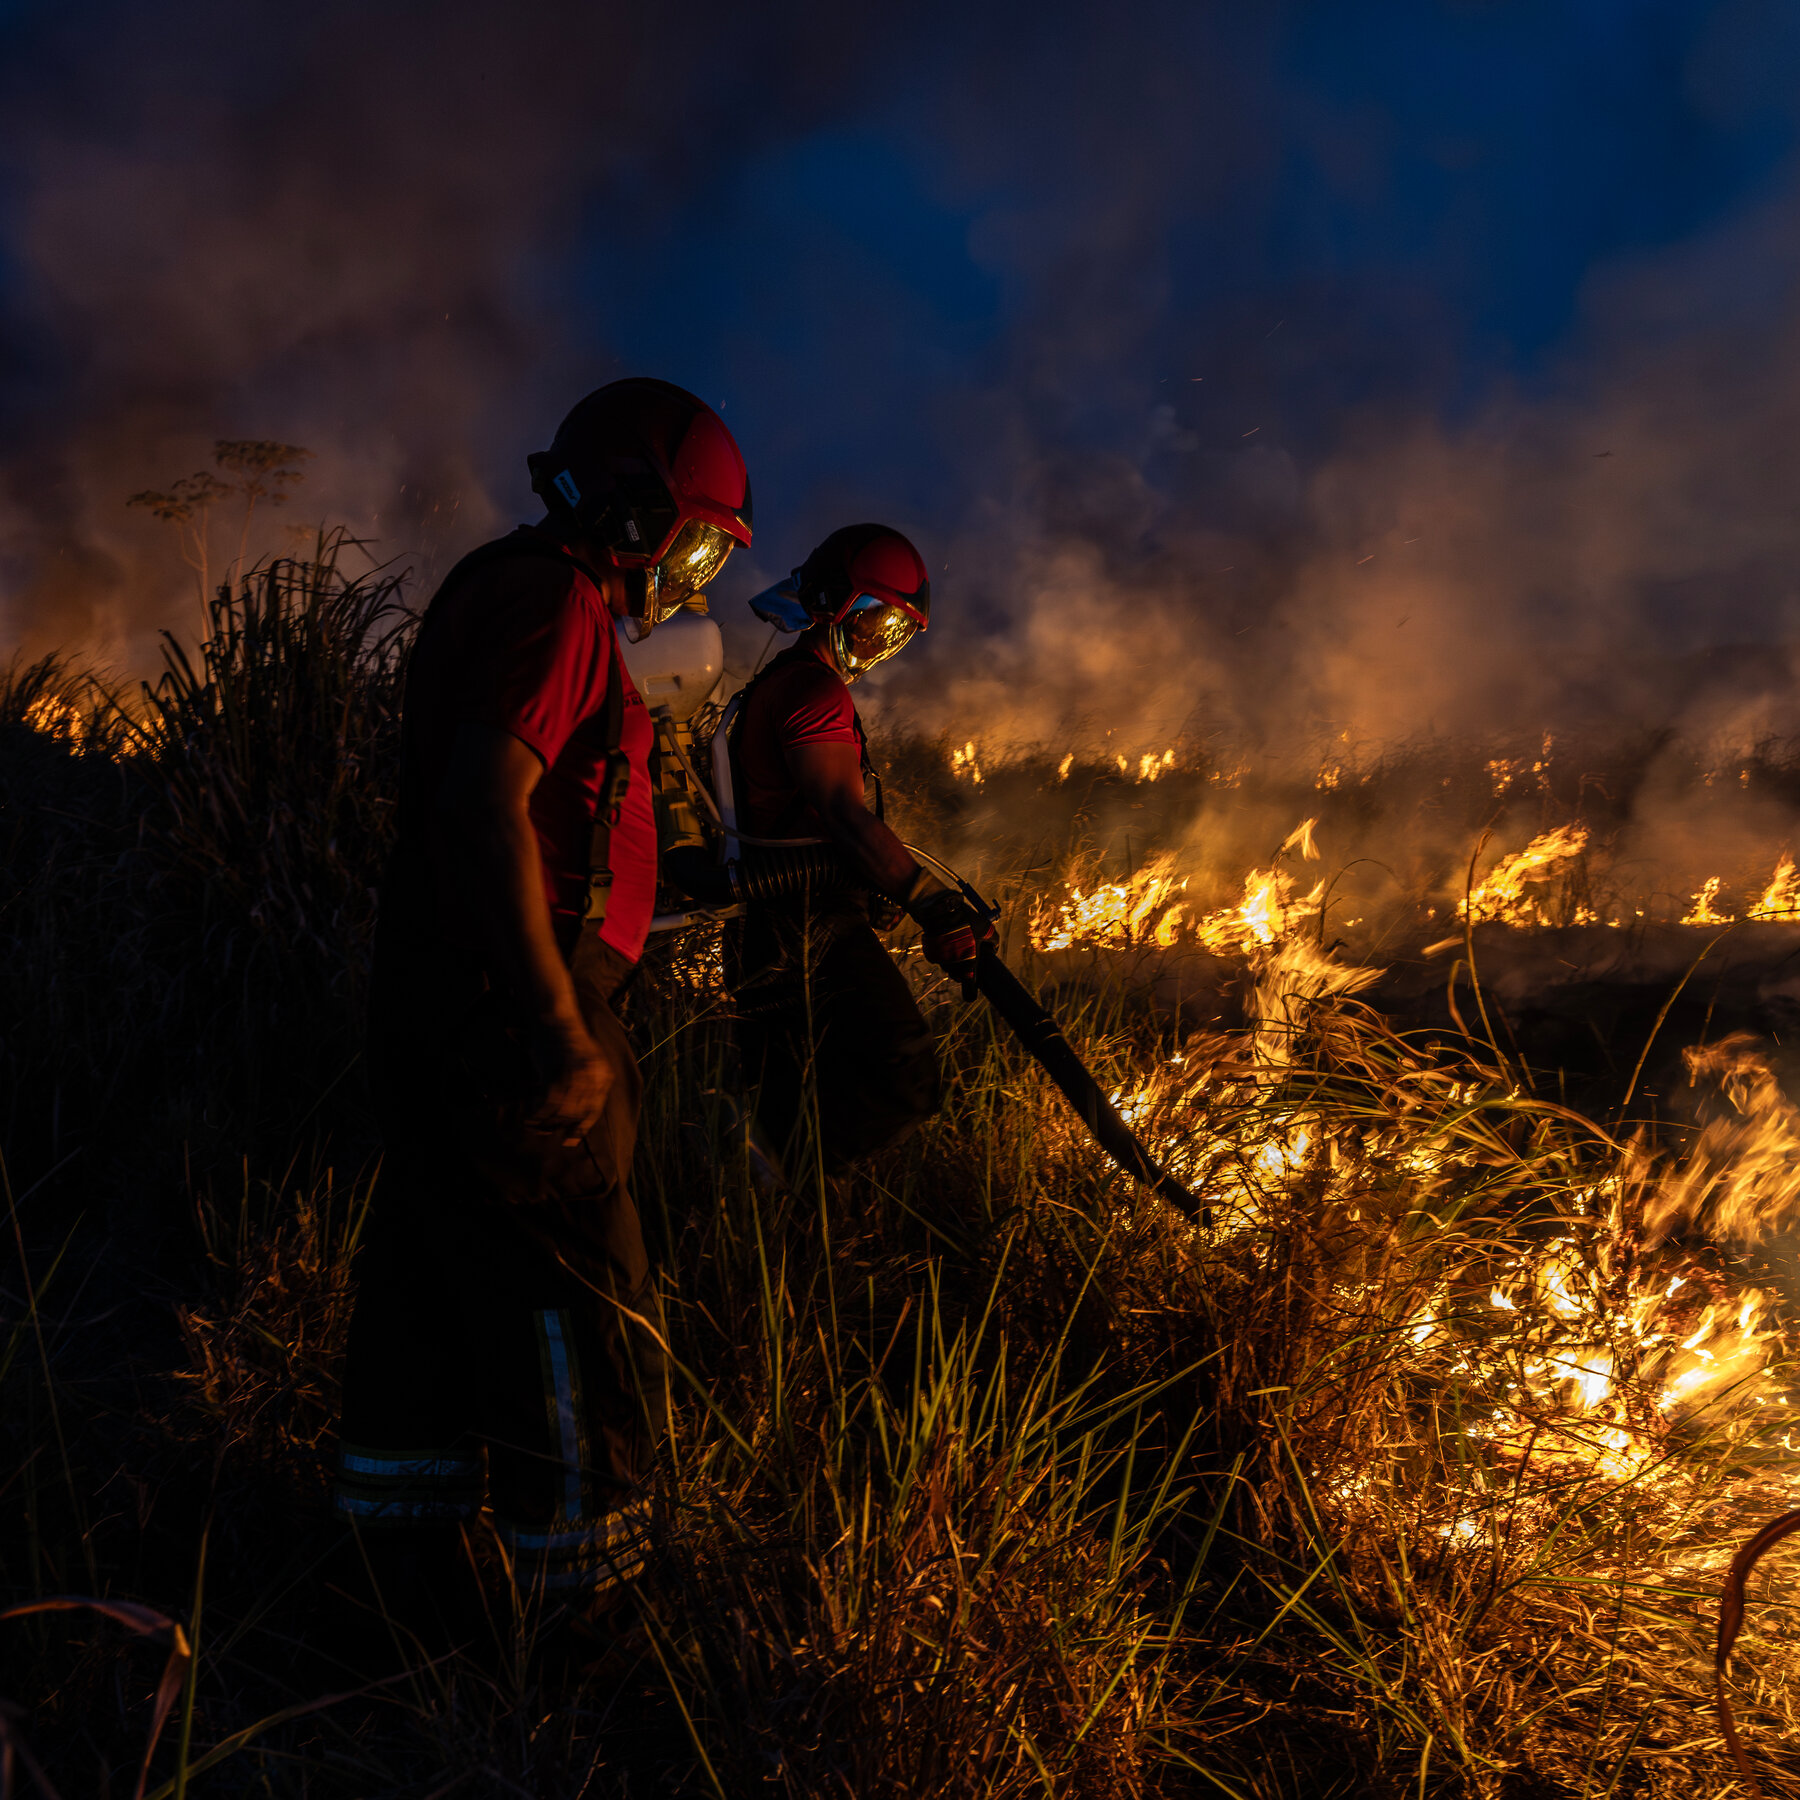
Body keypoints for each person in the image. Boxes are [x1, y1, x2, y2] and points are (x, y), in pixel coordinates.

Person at [332, 378, 752, 1637]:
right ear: (633, 511)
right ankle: (587, 1631)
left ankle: (404, 1602)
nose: (685, 577)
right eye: (689, 545)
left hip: (449, 1000)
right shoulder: (556, 603)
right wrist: (560, 1028)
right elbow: (483, 803)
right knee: (574, 1297)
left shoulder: (510, 588)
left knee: (431, 1282)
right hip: (517, 1016)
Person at [723, 523, 995, 1173]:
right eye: (875, 621)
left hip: (779, 925)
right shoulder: (811, 692)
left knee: (795, 1090)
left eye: (896, 632)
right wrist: (931, 904)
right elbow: (843, 816)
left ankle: (780, 1218)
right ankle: (797, 1186)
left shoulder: (794, 685)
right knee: (902, 1068)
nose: (880, 645)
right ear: (829, 605)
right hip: (803, 923)